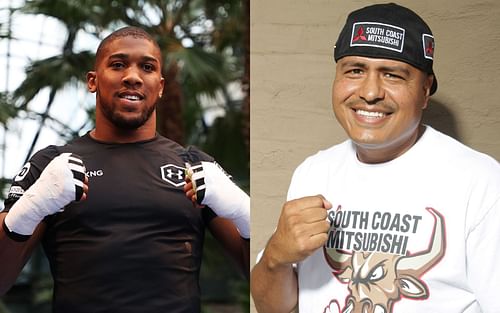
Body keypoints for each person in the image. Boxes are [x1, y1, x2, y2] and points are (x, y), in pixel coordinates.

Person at [251, 3, 500, 313]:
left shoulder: (482, 183)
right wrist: (276, 255)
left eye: (393, 75)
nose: (370, 92)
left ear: (424, 92)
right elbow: (274, 308)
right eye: (355, 70)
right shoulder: (313, 173)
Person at [0, 26, 250, 313]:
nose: (132, 77)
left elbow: (264, 274)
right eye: (118, 65)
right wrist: (27, 210)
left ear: (160, 86)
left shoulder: (194, 166)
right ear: (93, 81)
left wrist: (245, 212)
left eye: (147, 67)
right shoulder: (51, 165)